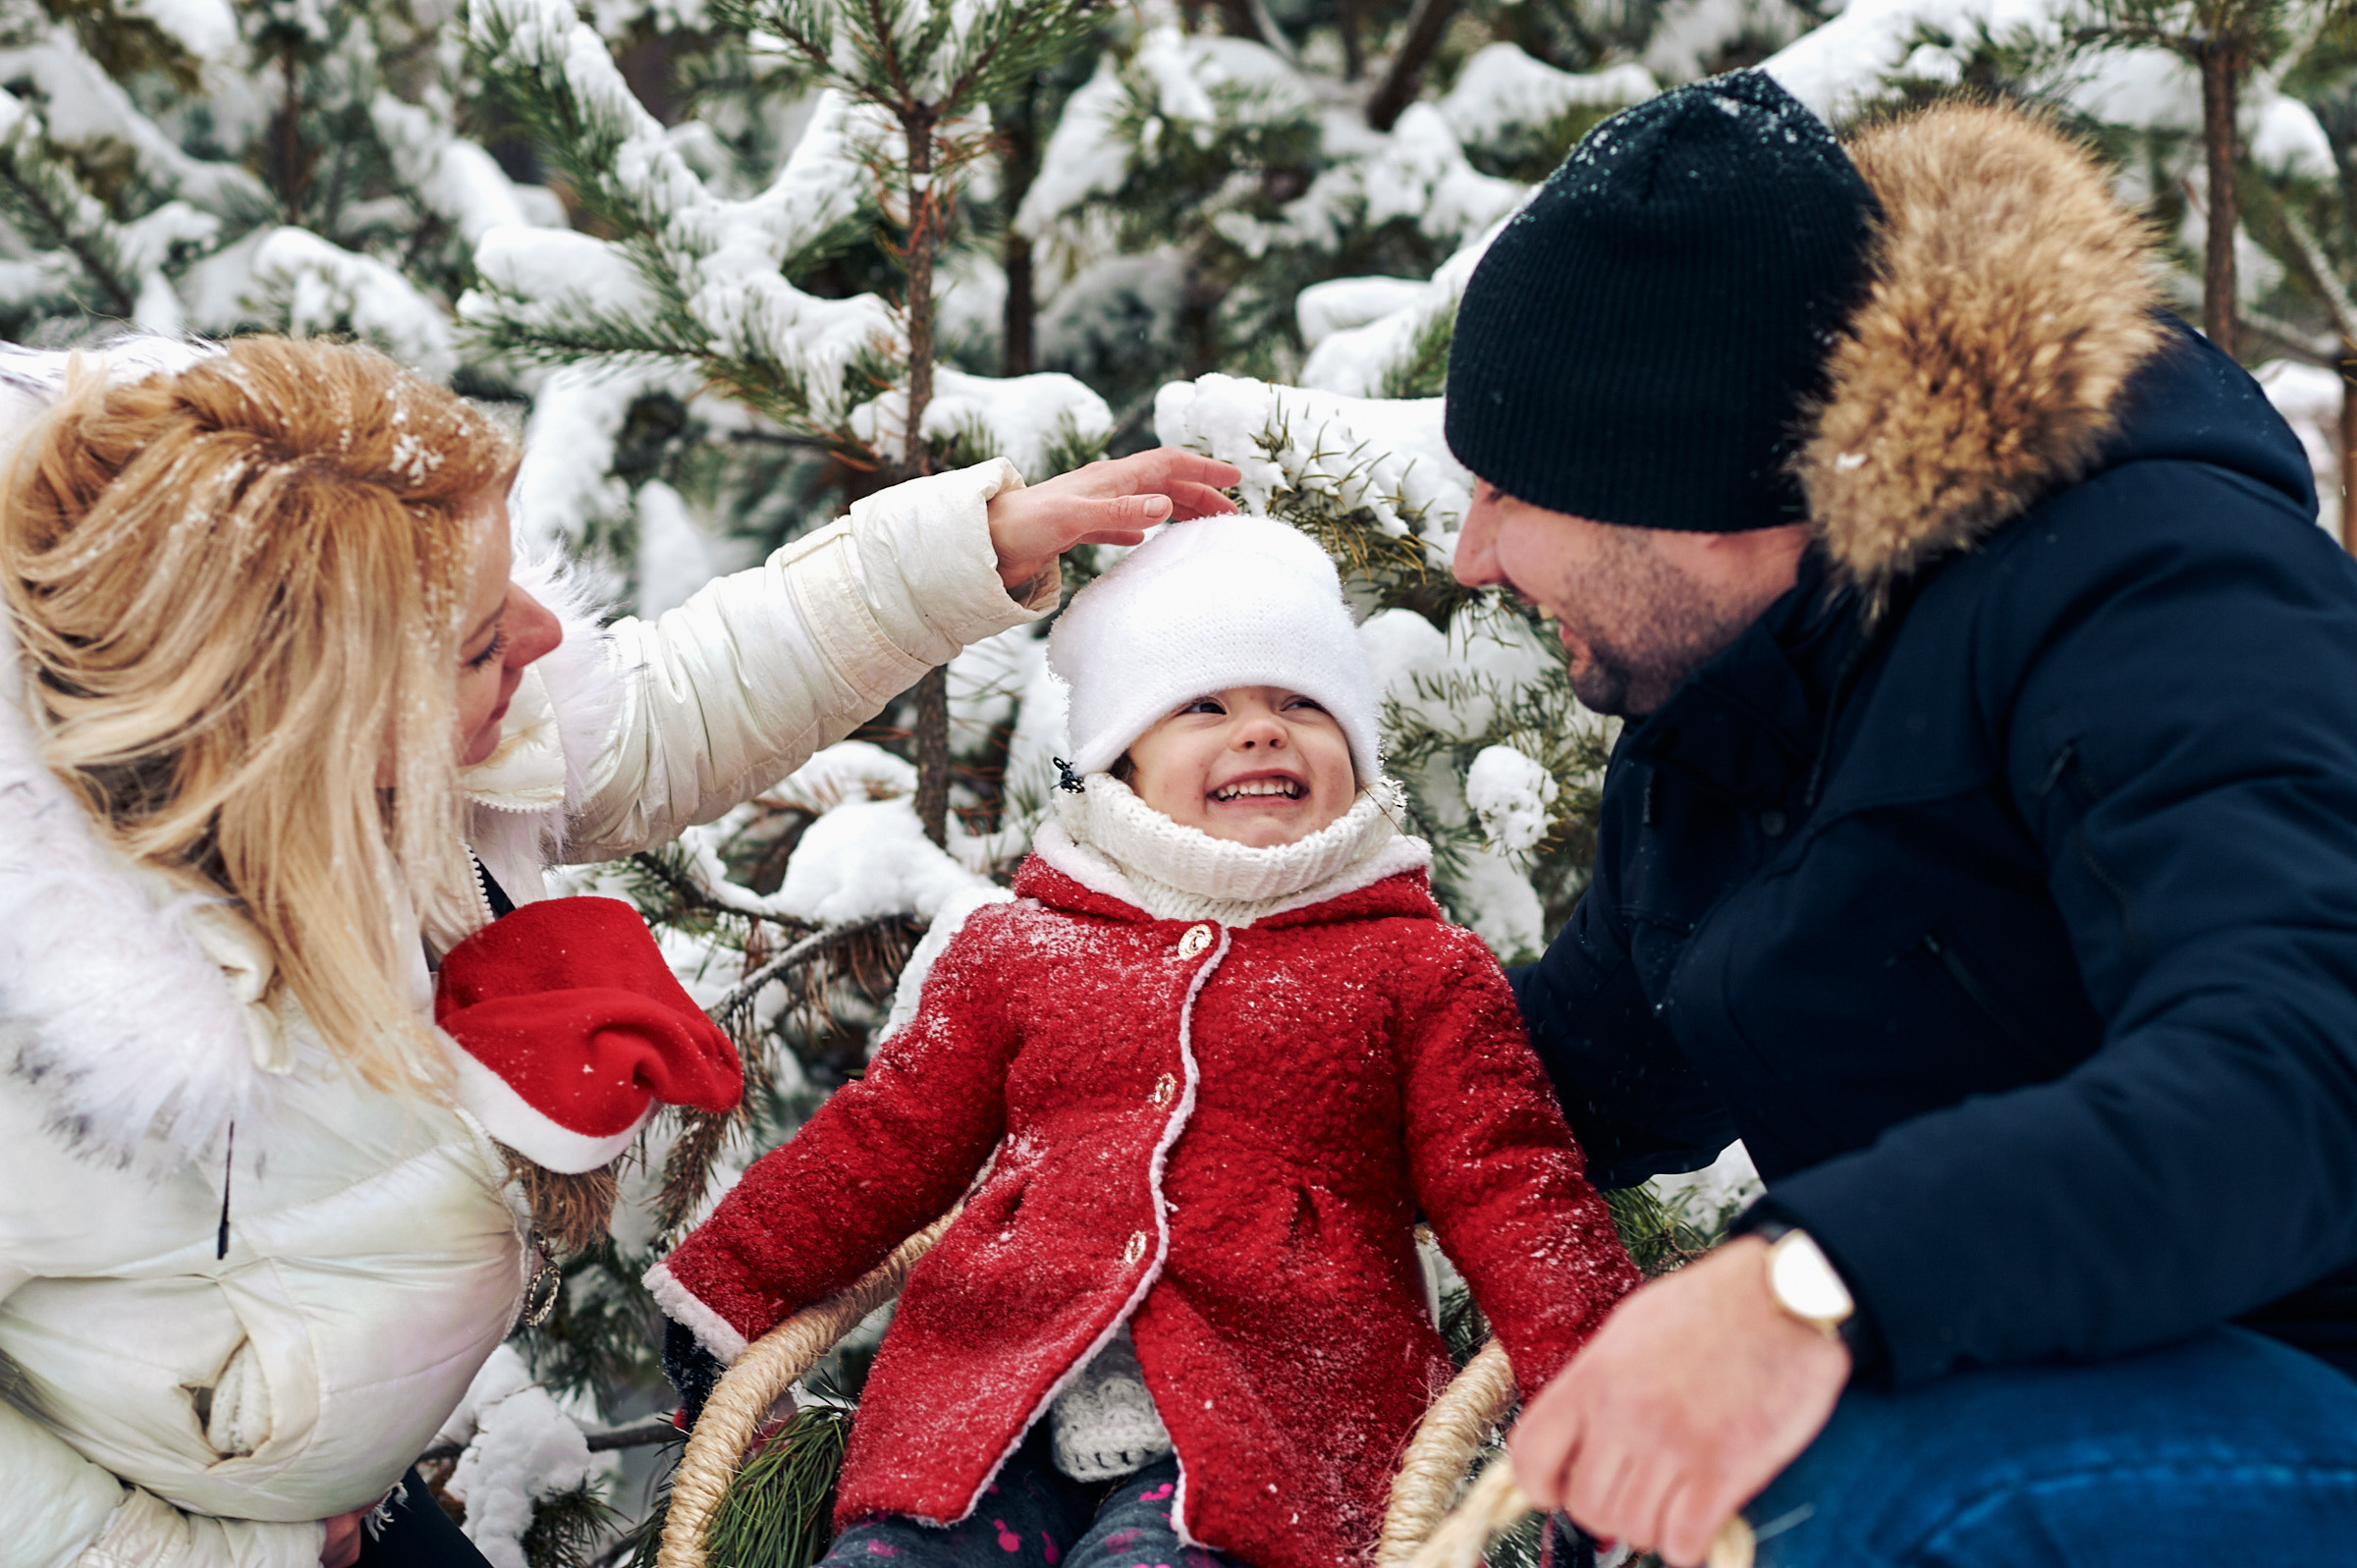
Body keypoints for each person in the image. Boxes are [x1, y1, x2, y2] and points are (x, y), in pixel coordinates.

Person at [0, 333, 1240, 1568]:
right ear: (312, 721)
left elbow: (662, 711)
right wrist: (196, 1546)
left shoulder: (431, 750)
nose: (541, 635)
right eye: (483, 640)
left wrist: (963, 552)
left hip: (332, 1509)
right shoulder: (45, 1013)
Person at [1440, 71, 2357, 1567]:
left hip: (2310, 1379)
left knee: (1853, 1487)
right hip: (2085, 1375)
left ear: (1702, 500)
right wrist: (1268, 1059)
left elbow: (2304, 1067)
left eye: (1509, 488)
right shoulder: (1736, 693)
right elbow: (1598, 1061)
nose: (1474, 553)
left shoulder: (2158, 587)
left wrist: (1816, 1282)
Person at [646, 515, 1642, 1568]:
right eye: (1204, 704)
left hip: (1275, 1429)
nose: (1261, 731)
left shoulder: (1418, 967)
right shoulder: (1022, 948)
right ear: (1121, 758)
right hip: (990, 1409)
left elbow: (1514, 1188)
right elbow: (885, 1141)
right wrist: (728, 1287)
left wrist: (1608, 1404)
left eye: (1303, 702)